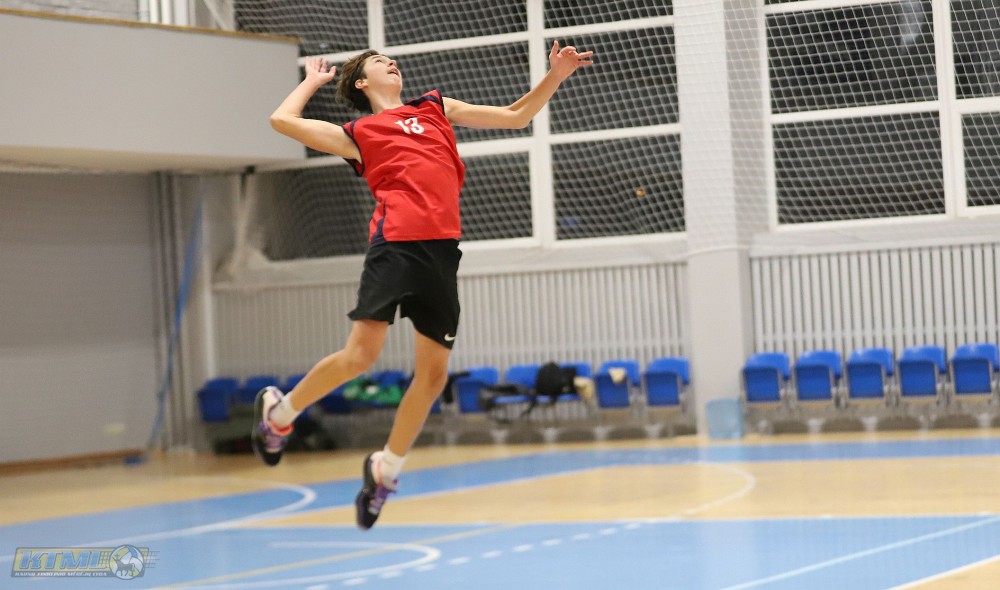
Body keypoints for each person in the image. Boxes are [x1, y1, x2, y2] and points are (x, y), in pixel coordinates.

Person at [253, 41, 594, 530]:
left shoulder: (435, 106)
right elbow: (281, 121)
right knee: (361, 357)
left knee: (433, 376)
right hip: (396, 245)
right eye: (378, 61)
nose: (391, 62)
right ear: (362, 83)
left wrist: (555, 76)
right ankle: (280, 414)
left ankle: (385, 469)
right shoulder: (358, 134)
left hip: (442, 252)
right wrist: (311, 82)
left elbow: (516, 116)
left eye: (391, 59)